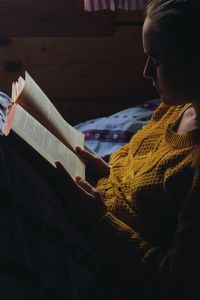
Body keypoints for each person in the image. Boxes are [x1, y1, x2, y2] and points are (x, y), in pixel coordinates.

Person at [56, 0, 200, 299]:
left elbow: (178, 284)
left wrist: (98, 220)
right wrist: (103, 170)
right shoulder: (179, 108)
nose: (146, 72)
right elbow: (147, 184)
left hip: (102, 253)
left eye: (157, 61)